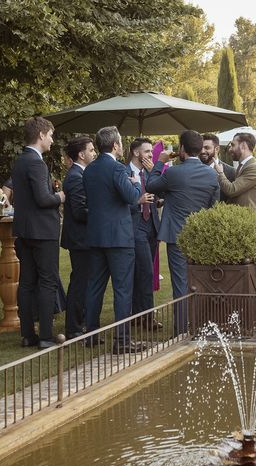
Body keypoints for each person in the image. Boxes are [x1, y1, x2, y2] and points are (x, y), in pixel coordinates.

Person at [146, 130, 219, 335]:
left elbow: (151, 185)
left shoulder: (173, 172)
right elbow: (214, 205)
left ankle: (181, 331)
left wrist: (160, 162)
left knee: (180, 284)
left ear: (182, 149)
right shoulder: (211, 174)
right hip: (200, 236)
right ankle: (201, 326)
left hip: (177, 236)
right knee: (201, 282)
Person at [83, 126, 144, 353]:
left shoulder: (89, 170)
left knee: (95, 286)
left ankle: (91, 334)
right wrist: (135, 182)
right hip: (119, 237)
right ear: (116, 145)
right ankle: (122, 340)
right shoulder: (117, 168)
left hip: (96, 235)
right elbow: (132, 197)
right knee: (122, 289)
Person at [12, 116, 65, 349]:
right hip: (42, 231)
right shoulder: (36, 163)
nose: (52, 140)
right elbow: (43, 199)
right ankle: (44, 336)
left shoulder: (19, 161)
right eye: (51, 135)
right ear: (41, 135)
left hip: (24, 230)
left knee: (26, 282)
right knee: (46, 282)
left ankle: (27, 335)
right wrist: (61, 197)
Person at [61, 136, 95, 340]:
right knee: (80, 282)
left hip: (83, 238)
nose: (94, 153)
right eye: (91, 150)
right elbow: (80, 211)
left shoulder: (81, 174)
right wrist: (101, 212)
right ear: (81, 155)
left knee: (84, 281)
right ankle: (73, 327)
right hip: (80, 239)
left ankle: (79, 322)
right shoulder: (75, 176)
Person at [127, 137, 161, 329]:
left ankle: (138, 315)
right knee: (146, 272)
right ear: (135, 152)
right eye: (147, 151)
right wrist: (136, 200)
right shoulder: (123, 172)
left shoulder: (150, 173)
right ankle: (148, 318)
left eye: (151, 151)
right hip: (135, 226)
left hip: (152, 227)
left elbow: (160, 192)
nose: (150, 155)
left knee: (142, 273)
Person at [214, 132, 256, 219]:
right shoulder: (242, 166)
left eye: (233, 145)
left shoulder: (254, 168)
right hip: (245, 220)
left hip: (254, 222)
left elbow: (232, 190)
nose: (230, 149)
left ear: (243, 146)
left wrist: (220, 173)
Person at [199, 133, 235, 202]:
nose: (202, 151)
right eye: (200, 148)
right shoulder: (194, 170)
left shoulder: (231, 172)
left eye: (207, 148)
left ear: (217, 149)